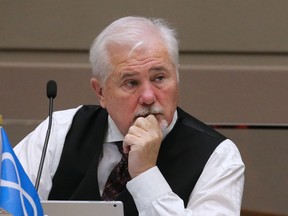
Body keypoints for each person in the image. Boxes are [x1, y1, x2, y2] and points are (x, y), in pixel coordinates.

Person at [14, 16, 245, 216]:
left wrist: (145, 173)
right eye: (131, 83)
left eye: (159, 78)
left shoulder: (218, 157)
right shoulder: (60, 131)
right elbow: (8, 204)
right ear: (101, 92)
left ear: (177, 76)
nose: (148, 96)